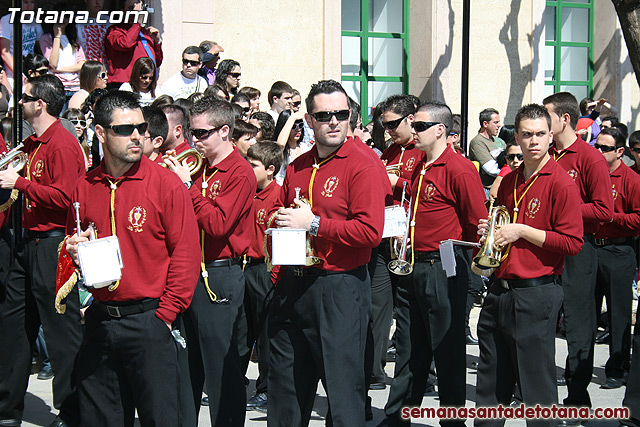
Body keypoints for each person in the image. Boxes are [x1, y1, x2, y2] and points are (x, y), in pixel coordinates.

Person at [64, 90, 200, 427]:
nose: (137, 136)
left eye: (141, 128)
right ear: (101, 133)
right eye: (125, 129)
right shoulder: (84, 186)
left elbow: (186, 253)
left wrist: (165, 315)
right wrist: (73, 251)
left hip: (150, 320)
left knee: (162, 419)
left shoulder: (166, 184)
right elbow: (72, 244)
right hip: (100, 320)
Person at [268, 79, 386, 426]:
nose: (334, 121)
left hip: (339, 287)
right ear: (308, 119)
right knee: (286, 391)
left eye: (341, 114)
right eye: (323, 115)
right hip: (294, 283)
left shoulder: (363, 164)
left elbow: (370, 232)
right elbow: (283, 215)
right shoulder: (298, 165)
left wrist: (315, 224)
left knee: (343, 392)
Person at [475, 103, 584, 427]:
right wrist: (491, 231)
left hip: (536, 292)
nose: (533, 141)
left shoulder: (561, 182)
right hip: (500, 288)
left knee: (536, 386)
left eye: (540, 134)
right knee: (491, 381)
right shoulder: (510, 180)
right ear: (517, 138)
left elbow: (573, 243)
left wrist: (522, 231)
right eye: (526, 134)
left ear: (551, 136)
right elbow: (505, 226)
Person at [380, 102, 487, 427]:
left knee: (447, 346)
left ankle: (452, 420)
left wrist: (459, 259)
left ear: (440, 130)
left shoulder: (459, 168)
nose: (413, 131)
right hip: (412, 263)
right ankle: (398, 415)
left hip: (443, 264)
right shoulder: (419, 165)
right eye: (413, 125)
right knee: (408, 345)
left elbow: (476, 223)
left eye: (420, 126)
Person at [164, 97, 255, 427]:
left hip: (219, 274)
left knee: (221, 370)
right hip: (188, 271)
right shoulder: (197, 166)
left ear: (225, 131)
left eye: (202, 133)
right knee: (185, 366)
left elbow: (218, 225)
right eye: (193, 132)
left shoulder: (240, 172)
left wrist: (187, 187)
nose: (195, 139)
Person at [0, 74, 86, 427]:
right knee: (13, 327)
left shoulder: (62, 144)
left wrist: (19, 182)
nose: (19, 102)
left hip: (52, 244)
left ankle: (72, 411)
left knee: (61, 332)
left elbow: (66, 198)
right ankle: (7, 408)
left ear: (41, 104)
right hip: (27, 242)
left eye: (25, 97)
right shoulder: (33, 143)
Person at [543, 92, 614, 421]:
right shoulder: (545, 154)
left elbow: (603, 210)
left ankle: (577, 396)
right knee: (541, 320)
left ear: (565, 119)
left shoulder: (589, 158)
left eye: (547, 117)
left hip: (577, 247)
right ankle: (536, 393)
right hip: (544, 245)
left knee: (578, 323)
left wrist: (562, 208)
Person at [592, 127, 640, 389]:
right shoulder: (592, 175)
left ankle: (618, 368)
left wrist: (610, 217)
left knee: (618, 314)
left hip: (619, 250)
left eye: (605, 148)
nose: (599, 152)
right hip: (592, 249)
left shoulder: (631, 179)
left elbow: (638, 220)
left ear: (620, 151)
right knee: (586, 312)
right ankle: (578, 369)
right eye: (596, 146)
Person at [243, 141, 283, 412]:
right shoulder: (246, 191)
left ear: (270, 170)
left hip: (265, 270)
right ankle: (235, 382)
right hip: (244, 267)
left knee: (267, 334)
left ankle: (267, 389)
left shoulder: (278, 195)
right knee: (241, 331)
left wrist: (275, 275)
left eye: (253, 165)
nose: (248, 169)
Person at [105, 0, 163, 90]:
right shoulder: (114, 31)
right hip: (123, 85)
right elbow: (126, 44)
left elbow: (157, 62)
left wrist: (157, 42)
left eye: (138, 9)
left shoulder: (144, 32)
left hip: (145, 84)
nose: (135, 11)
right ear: (122, 11)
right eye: (131, 8)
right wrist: (137, 22)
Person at [39, 5, 86, 102]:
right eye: (60, 16)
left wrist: (59, 69)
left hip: (75, 86)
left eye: (66, 16)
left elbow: (81, 64)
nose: (63, 19)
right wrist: (57, 36)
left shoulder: (74, 39)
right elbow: (52, 63)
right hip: (57, 87)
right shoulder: (46, 39)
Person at [0, 0, 43, 84]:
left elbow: (41, 46)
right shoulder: (6, 20)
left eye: (32, 2)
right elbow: (4, 52)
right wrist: (20, 74)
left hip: (31, 72)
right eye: (25, 2)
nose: (29, 6)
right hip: (12, 75)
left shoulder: (34, 21)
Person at [469, 108, 505, 196]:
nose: (499, 125)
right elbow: (492, 169)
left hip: (502, 186)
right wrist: (507, 171)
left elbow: (511, 159)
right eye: (496, 122)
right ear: (485, 124)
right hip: (487, 190)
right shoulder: (477, 142)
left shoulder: (499, 141)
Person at [274, 109, 308, 184]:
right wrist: (292, 119)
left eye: (301, 125)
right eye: (293, 126)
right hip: (283, 188)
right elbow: (281, 145)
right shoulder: (275, 148)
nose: (298, 129)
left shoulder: (305, 147)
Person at [76, 0, 109, 64]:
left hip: (105, 67)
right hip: (84, 67)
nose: (98, 2)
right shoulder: (76, 21)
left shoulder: (110, 22)